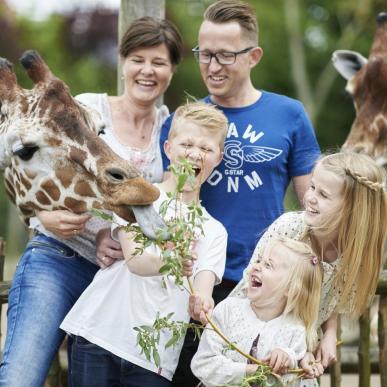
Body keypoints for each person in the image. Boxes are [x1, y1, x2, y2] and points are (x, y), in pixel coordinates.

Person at [0, 17, 183, 387]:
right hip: (63, 259)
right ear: (123, 62)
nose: (147, 71)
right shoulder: (84, 108)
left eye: (159, 62)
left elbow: (178, 198)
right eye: (137, 59)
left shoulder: (174, 128)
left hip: (125, 282)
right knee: (21, 377)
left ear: (173, 69)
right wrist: (42, 219)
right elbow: (32, 172)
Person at [159, 1, 320, 385]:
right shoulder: (186, 122)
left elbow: (314, 214)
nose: (212, 66)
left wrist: (321, 322)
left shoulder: (289, 114)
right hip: (196, 287)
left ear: (254, 56)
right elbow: (167, 201)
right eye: (204, 54)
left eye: (225, 55)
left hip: (264, 286)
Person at [60, 101, 228, 386]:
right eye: (186, 143)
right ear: (168, 148)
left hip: (153, 359)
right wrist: (174, 260)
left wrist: (201, 304)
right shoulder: (138, 198)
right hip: (100, 334)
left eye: (206, 148)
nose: (195, 153)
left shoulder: (214, 231)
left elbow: (203, 287)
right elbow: (136, 261)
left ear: (218, 158)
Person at [231, 152, 387, 378]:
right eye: (312, 187)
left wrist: (329, 333)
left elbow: (332, 300)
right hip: (248, 343)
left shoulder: (354, 258)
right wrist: (292, 347)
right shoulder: (289, 230)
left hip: (293, 357)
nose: (311, 197)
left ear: (353, 209)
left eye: (323, 194)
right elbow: (252, 287)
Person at [191, 237, 322, 387]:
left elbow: (294, 379)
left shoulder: (295, 330)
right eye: (259, 260)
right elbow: (203, 364)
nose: (256, 266)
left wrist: (287, 359)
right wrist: (249, 370)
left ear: (290, 289)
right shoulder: (228, 310)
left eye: (268, 265)